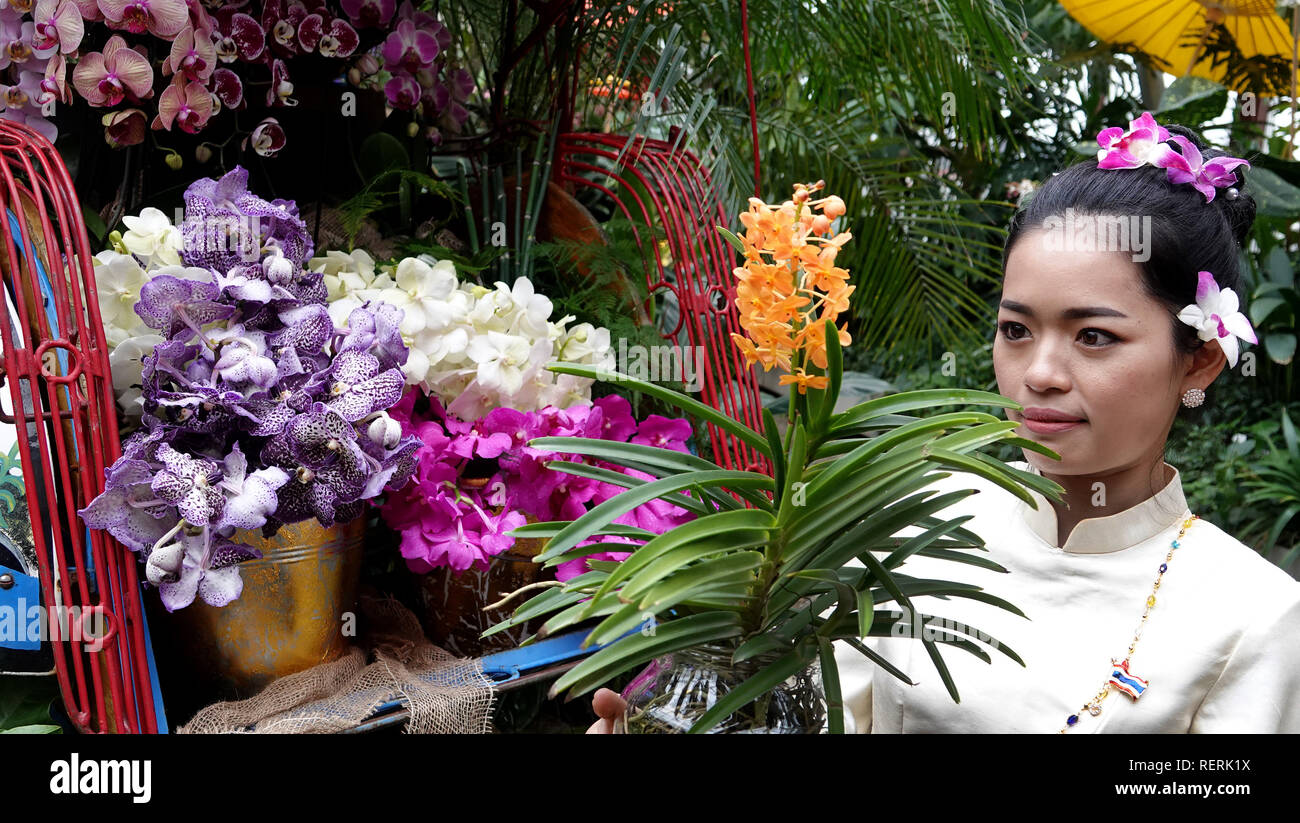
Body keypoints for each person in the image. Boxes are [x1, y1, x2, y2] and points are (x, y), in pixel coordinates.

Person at [589, 115, 1300, 734]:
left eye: (1094, 337)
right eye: (1016, 329)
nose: (1041, 372)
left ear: (1200, 359)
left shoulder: (1255, 615)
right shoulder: (917, 518)